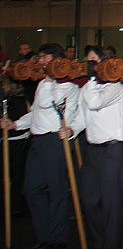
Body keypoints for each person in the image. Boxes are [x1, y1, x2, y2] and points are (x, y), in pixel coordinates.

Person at [0, 43, 79, 248]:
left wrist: (50, 78)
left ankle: (58, 238)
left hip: (55, 141)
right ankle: (45, 234)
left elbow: (46, 103)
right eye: (40, 57)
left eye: (44, 58)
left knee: (57, 191)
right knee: (31, 189)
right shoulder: (44, 84)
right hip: (38, 140)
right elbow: (36, 112)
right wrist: (15, 124)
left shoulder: (67, 85)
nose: (40, 61)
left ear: (55, 60)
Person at [61, 46, 123, 249]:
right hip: (93, 150)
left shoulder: (115, 87)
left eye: (93, 61)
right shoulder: (86, 89)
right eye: (87, 61)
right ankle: (100, 241)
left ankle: (110, 244)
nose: (89, 65)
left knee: (111, 204)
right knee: (89, 199)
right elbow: (82, 117)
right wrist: (72, 130)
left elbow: (94, 103)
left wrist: (91, 78)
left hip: (113, 150)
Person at [1, 72, 31, 216]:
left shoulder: (17, 100)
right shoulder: (5, 99)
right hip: (8, 140)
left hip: (17, 141)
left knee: (16, 174)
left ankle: (15, 205)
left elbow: (21, 118)